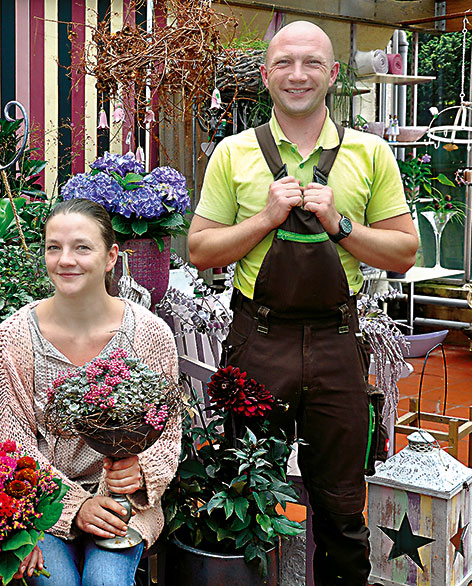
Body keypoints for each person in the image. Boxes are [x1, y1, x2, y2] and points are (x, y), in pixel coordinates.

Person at [188, 21, 418, 586]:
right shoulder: (233, 153)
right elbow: (199, 248)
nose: (298, 75)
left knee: (342, 508)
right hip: (259, 344)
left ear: (333, 75)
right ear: (265, 75)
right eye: (285, 63)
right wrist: (265, 218)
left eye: (312, 63)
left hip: (339, 346)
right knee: (247, 497)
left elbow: (404, 251)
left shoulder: (370, 154)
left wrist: (341, 225)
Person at [0, 199, 181, 586]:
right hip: (40, 503)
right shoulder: (13, 338)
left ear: (111, 257)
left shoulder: (149, 333)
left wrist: (138, 472)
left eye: (81, 247)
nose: (65, 260)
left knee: (105, 582)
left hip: (125, 505)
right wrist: (75, 506)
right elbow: (9, 446)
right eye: (53, 247)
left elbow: (168, 430)